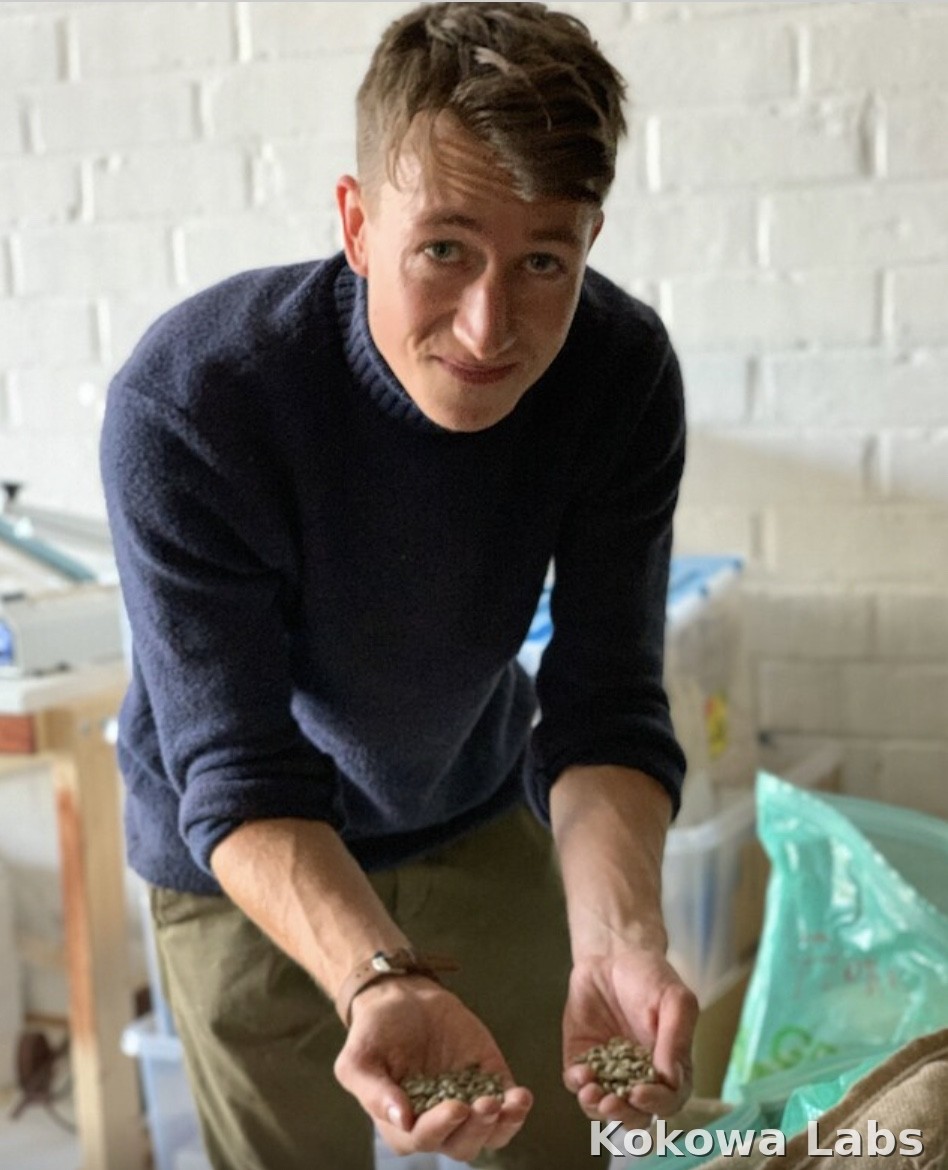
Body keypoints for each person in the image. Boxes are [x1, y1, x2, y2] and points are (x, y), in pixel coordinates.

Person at [100, 3, 698, 1167]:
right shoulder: (192, 402)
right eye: (444, 249)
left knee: (573, 1124)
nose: (490, 325)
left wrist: (621, 938)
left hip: (474, 806)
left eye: (544, 261)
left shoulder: (621, 374)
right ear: (357, 221)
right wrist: (377, 975)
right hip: (241, 859)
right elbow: (233, 766)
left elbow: (607, 704)